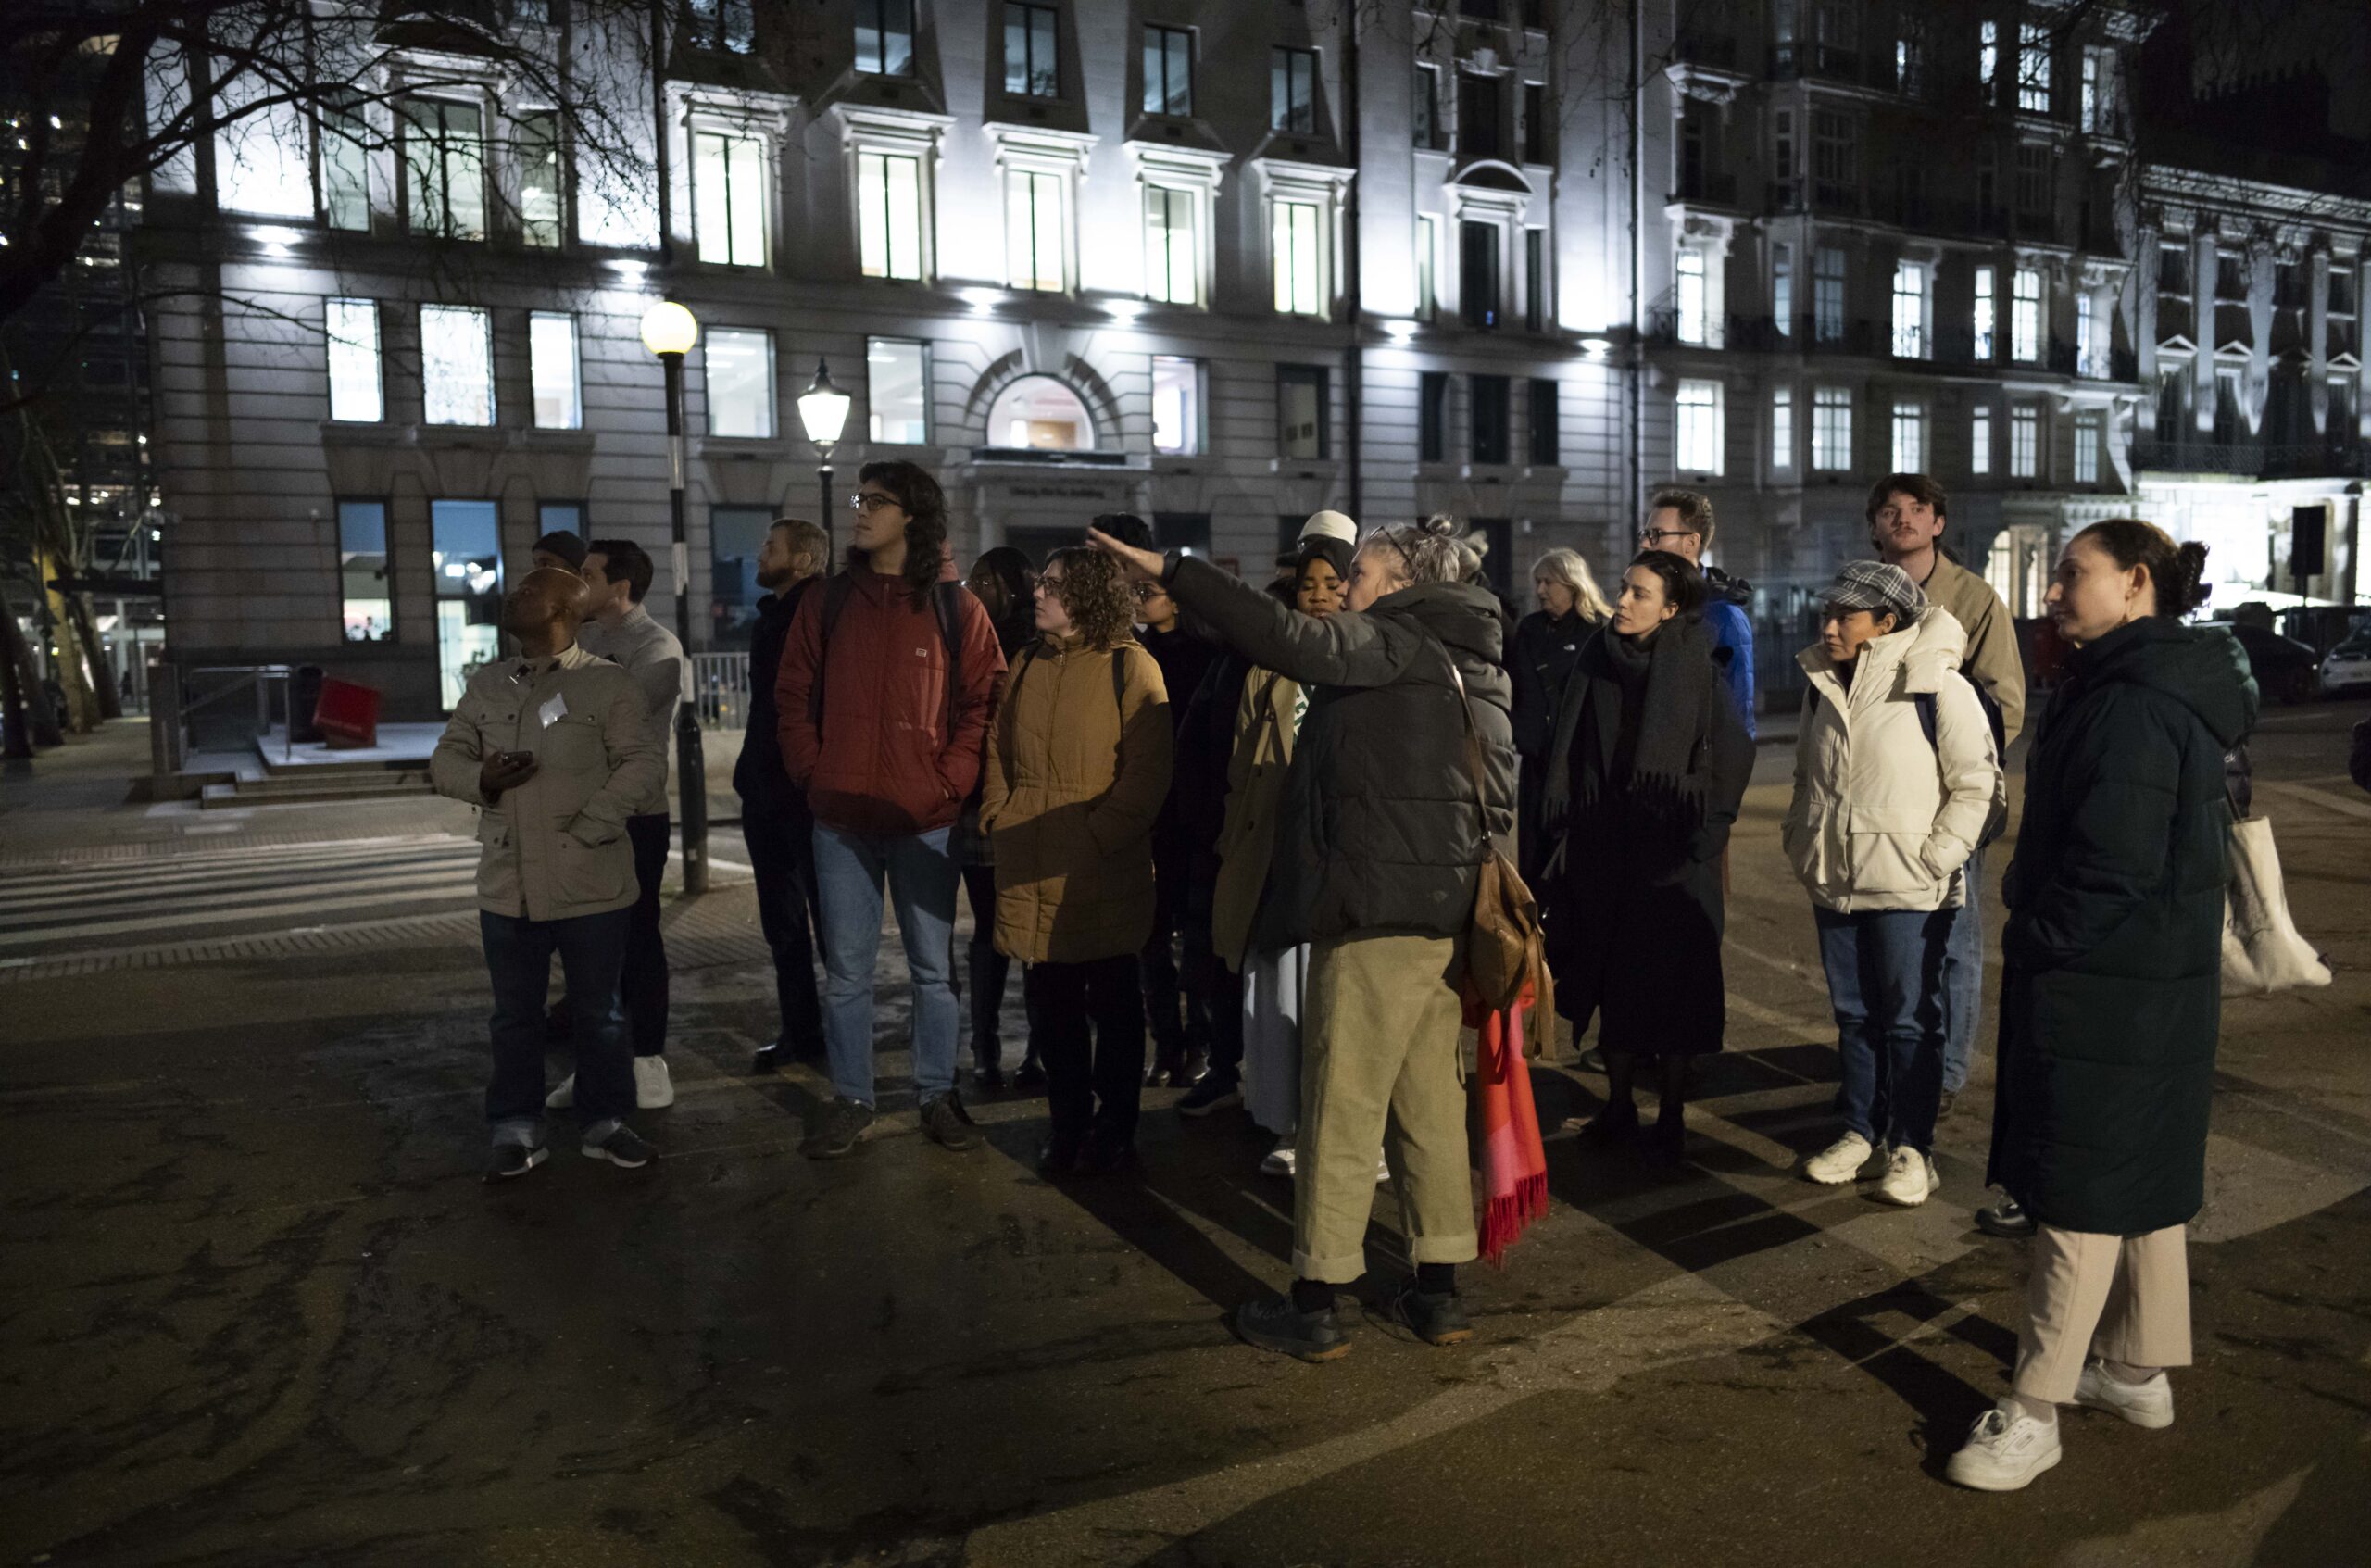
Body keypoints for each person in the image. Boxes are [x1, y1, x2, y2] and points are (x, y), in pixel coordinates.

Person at [1088, 514, 1514, 1363]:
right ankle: (1438, 1291)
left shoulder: (1392, 643)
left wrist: (1177, 569)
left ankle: (1318, 1299)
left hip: (1375, 908)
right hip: (1444, 914)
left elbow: (1279, 632)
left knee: (1340, 1104)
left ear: (1397, 584)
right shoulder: (1475, 660)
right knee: (1429, 1104)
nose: (1345, 585)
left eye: (1360, 572)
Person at [1946, 520, 2255, 1491]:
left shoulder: (2128, 701)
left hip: (2108, 985)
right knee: (2143, 1177)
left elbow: (2110, 864)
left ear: (2133, 585)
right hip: (2151, 983)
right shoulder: (2160, 682)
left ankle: (2035, 1409)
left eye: (2070, 575)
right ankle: (2135, 1367)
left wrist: (2037, 936)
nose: (2051, 592)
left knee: (2078, 1192)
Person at [777, 461, 1005, 1160]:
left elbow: (982, 703)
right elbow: (791, 697)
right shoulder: (828, 601)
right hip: (840, 817)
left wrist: (950, 781)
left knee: (931, 969)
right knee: (847, 973)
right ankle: (853, 1098)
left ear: (913, 516)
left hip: (924, 820)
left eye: (877, 501)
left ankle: (937, 1093)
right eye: (860, 499)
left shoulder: (955, 606)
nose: (861, 512)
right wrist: (815, 775)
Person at [431, 568, 664, 1178]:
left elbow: (642, 765)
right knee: (514, 1014)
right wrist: (483, 778)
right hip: (510, 880)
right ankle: (514, 1122)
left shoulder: (607, 683)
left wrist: (593, 824)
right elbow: (445, 758)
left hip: (590, 876)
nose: (515, 595)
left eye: (529, 589)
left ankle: (605, 1119)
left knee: (601, 1011)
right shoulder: (491, 681)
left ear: (566, 608)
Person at [1785, 561, 2002, 1207]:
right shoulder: (1821, 684)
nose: (1829, 627)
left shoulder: (1938, 685)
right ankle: (1860, 1131)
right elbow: (1805, 776)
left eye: (1844, 615)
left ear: (1887, 621)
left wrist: (1938, 857)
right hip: (1836, 880)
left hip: (1910, 886)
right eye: (1827, 613)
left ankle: (1914, 1148)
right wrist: (1803, 841)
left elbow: (1978, 783)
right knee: (1855, 1017)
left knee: (1910, 1019)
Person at [1540, 551, 1752, 1161]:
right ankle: (1619, 1103)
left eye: (1639, 593)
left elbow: (1730, 761)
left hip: (1675, 858)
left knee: (1675, 988)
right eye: (1624, 589)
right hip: (1607, 853)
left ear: (1672, 606)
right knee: (1613, 980)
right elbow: (1573, 753)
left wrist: (1704, 838)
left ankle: (1673, 1115)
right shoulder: (1598, 661)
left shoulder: (1696, 667)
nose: (1623, 601)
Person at [982, 547, 1173, 1173]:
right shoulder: (1029, 661)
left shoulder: (1131, 667)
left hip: (1102, 868)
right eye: (1040, 583)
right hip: (1034, 864)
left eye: (1053, 586)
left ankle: (1116, 1127)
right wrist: (997, 813)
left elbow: (1147, 774)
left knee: (1115, 1006)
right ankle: (1068, 1126)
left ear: (1087, 596)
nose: (1038, 593)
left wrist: (1095, 838)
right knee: (1053, 1008)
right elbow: (998, 745)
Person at [1865, 473, 2028, 1130]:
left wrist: (1954, 772)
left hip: (1945, 798)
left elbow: (2005, 702)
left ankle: (1948, 1069)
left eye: (1917, 509)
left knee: (1954, 940)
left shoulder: (1973, 599)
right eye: (1889, 511)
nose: (1902, 519)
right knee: (1886, 937)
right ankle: (1894, 1057)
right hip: (1879, 800)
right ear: (1875, 525)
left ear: (1938, 522)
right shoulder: (1863, 593)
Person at [1213, 527, 1357, 1177]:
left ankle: (1354, 1128)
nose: (1320, 596)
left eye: (1334, 583)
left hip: (1346, 859)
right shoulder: (1267, 670)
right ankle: (1290, 1121)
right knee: (1281, 992)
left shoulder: (1368, 661)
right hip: (1275, 853)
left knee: (1344, 1000)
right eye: (1309, 584)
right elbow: (1242, 768)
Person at [545, 539, 684, 1112]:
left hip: (635, 814)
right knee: (588, 943)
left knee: (638, 935)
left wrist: (568, 710)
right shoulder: (588, 642)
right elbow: (548, 711)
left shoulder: (657, 647)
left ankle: (648, 1059)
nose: (578, 583)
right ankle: (599, 1063)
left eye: (588, 574)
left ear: (620, 586)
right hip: (580, 808)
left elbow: (610, 715)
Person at [740, 518, 831, 1075]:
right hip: (767, 790)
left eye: (769, 546)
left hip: (804, 792)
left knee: (827, 920)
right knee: (784, 923)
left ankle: (833, 1033)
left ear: (800, 561)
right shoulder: (771, 618)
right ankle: (801, 1030)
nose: (759, 553)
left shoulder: (819, 615)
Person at [1132, 562, 1219, 1087]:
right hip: (1152, 812)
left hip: (1193, 812)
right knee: (1151, 936)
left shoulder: (1205, 654)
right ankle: (1166, 1043)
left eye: (1153, 591)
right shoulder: (1136, 654)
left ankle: (1201, 1044)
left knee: (1195, 936)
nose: (1143, 599)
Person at [957, 546, 1039, 1090]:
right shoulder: (968, 640)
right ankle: (985, 1045)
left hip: (1025, 803)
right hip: (977, 802)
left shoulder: (1034, 648)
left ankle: (1039, 1048)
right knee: (989, 926)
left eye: (984, 580)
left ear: (1009, 587)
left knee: (1032, 927)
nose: (973, 588)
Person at [1512, 548, 1612, 887]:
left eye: (1548, 582)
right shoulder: (1529, 630)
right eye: (1537, 582)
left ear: (1572, 584)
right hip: (1538, 760)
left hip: (1579, 763)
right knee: (1534, 857)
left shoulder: (1597, 632)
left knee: (1577, 857)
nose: (1540, 590)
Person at [1641, 489, 1755, 736]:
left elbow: (1738, 716)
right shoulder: (1641, 606)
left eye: (1655, 535)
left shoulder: (1725, 618)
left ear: (1690, 543)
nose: (1644, 543)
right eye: (1645, 533)